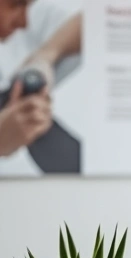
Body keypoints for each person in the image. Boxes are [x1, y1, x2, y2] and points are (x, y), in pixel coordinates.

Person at [0, 0, 81, 173]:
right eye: (15, 5)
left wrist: (44, 56)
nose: (23, 23)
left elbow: (98, 23)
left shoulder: (32, 21)